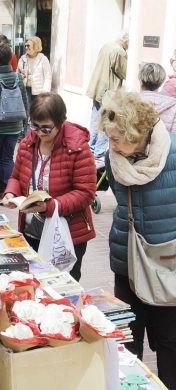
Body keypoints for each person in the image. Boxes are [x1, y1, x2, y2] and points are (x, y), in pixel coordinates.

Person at [101, 90, 176, 389]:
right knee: (127, 341)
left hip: (167, 266)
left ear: (140, 133)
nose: (111, 145)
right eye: (109, 138)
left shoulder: (172, 156)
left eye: (118, 138)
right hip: (127, 261)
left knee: (169, 343)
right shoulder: (113, 159)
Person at [1, 93, 96, 281]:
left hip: (66, 234)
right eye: (34, 125)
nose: (38, 132)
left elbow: (85, 193)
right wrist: (11, 192)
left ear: (61, 122)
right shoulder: (29, 142)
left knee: (62, 285)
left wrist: (50, 206)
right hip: (32, 230)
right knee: (33, 282)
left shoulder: (77, 147)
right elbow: (17, 176)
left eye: (46, 128)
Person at [0, 44, 28, 201]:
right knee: (9, 157)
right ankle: (10, 191)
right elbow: (24, 101)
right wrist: (24, 123)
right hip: (15, 125)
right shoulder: (17, 77)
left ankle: (1, 191)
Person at [86, 32, 129, 158]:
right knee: (108, 122)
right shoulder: (120, 51)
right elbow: (124, 73)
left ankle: (90, 148)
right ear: (127, 41)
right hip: (109, 92)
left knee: (95, 120)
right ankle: (99, 151)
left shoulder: (107, 45)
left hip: (98, 88)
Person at [138, 62, 176, 133]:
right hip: (163, 143)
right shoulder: (173, 105)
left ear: (141, 81)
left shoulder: (129, 102)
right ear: (161, 82)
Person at [18, 36, 52, 110]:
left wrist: (45, 93)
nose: (26, 47)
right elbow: (18, 72)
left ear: (36, 47)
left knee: (37, 112)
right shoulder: (23, 58)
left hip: (39, 92)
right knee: (26, 111)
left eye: (29, 46)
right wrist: (20, 75)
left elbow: (48, 77)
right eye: (26, 45)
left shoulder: (43, 59)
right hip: (26, 89)